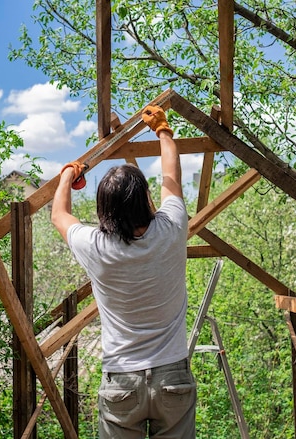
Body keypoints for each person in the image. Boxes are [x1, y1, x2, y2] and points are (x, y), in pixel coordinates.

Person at [51, 105, 196, 438]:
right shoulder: (171, 230)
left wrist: (66, 176)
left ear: (104, 209)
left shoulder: (96, 246)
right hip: (172, 375)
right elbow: (172, 181)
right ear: (146, 199)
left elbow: (59, 215)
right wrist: (163, 130)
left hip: (121, 380)